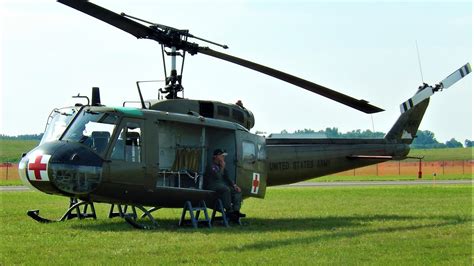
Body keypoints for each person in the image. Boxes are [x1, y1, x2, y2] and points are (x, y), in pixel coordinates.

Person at [206, 149, 245, 220]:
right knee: (225, 189)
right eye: (222, 156)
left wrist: (235, 186)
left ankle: (236, 211)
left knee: (237, 191)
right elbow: (217, 176)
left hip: (221, 185)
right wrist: (222, 168)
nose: (223, 157)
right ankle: (229, 210)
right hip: (213, 185)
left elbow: (228, 177)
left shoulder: (220, 165)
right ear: (216, 156)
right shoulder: (212, 166)